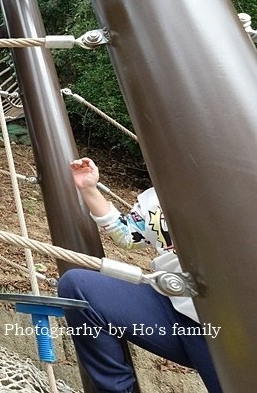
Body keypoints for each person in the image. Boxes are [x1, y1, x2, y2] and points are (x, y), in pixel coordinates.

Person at [58, 158, 221, 393]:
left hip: (232, 323)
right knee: (79, 286)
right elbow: (128, 235)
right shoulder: (152, 198)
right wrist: (89, 188)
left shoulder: (236, 179)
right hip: (177, 311)